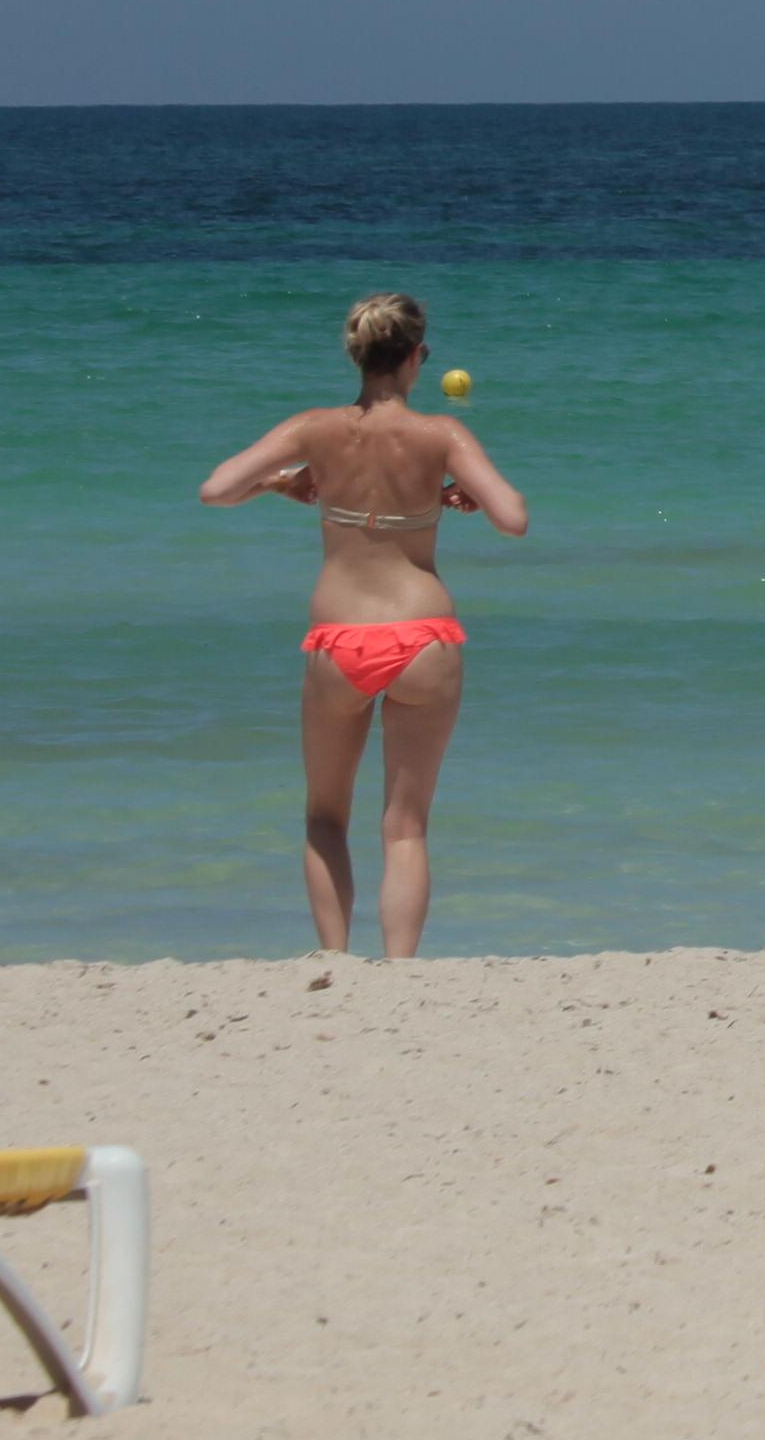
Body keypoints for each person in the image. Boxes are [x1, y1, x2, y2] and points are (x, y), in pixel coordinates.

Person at [196, 290, 526, 960]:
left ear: (358, 355)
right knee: (405, 828)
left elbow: (217, 489)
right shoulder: (442, 435)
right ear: (416, 357)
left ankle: (335, 963)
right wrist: (448, 496)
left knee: (325, 816)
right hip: (423, 639)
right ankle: (400, 972)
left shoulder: (314, 429)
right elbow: (513, 518)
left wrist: (280, 485)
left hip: (338, 641)